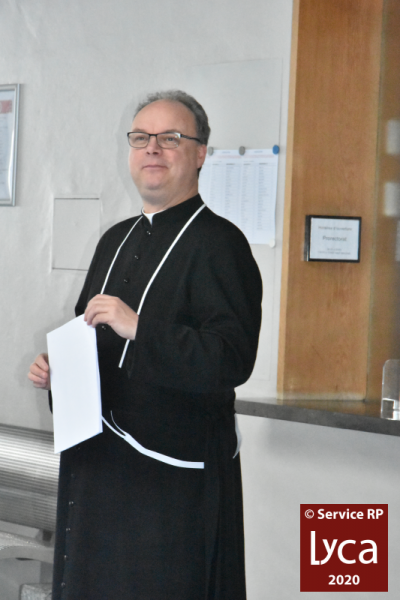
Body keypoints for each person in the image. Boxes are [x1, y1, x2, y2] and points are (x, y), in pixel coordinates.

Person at [28, 90, 262, 600]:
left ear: (200, 154)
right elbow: (89, 335)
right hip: (98, 468)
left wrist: (140, 328)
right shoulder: (114, 239)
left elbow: (232, 358)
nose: (152, 148)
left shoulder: (221, 244)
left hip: (168, 487)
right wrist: (59, 369)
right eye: (141, 138)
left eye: (170, 138)